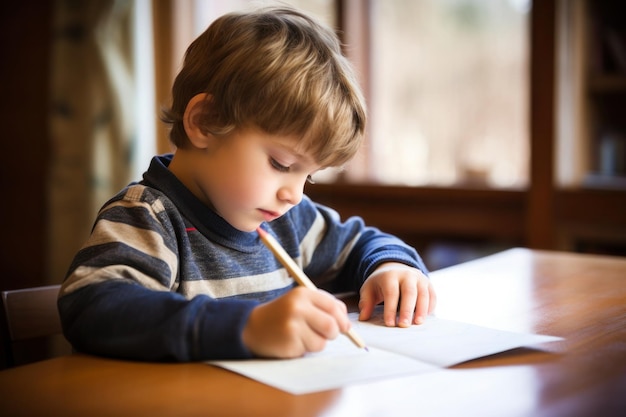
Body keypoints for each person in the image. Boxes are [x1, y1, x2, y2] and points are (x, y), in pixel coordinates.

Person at [58, 4, 436, 361]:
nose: (294, 194)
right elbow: (92, 304)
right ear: (205, 121)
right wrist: (246, 328)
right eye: (281, 163)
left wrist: (390, 267)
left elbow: (359, 243)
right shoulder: (149, 218)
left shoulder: (288, 220)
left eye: (309, 175)